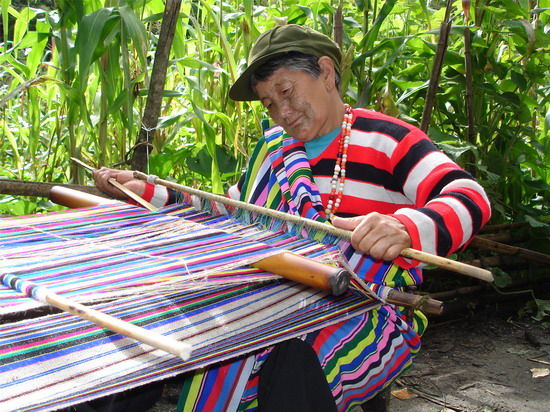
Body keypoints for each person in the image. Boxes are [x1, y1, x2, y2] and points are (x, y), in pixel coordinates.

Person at [94, 24, 491, 411]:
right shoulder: (274, 153)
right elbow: (233, 211)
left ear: (326, 72)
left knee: (290, 359)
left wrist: (405, 226)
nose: (282, 111)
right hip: (270, 298)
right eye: (269, 103)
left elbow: (470, 197)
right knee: (142, 325)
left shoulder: (387, 140)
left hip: (366, 308)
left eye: (286, 91)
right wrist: (143, 189)